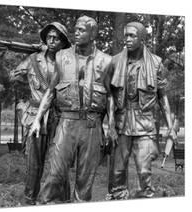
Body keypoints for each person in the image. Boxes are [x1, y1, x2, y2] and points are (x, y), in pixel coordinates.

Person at [30, 16, 113, 203]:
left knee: (85, 182)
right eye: (75, 29)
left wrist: (111, 127)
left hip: (92, 125)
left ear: (92, 34)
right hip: (66, 123)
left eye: (82, 30)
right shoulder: (62, 56)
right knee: (55, 174)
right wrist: (37, 120)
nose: (76, 32)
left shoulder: (106, 61)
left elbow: (110, 97)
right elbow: (51, 91)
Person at [106, 22, 177, 200]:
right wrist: (111, 125)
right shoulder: (115, 61)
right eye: (126, 35)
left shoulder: (155, 62)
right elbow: (110, 96)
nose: (127, 39)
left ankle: (144, 200)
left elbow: (162, 96)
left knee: (144, 170)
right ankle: (118, 198)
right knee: (118, 170)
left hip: (144, 121)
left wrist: (170, 126)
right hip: (122, 121)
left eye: (132, 36)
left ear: (142, 38)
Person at [10, 22, 71, 205]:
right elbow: (12, 77)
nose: (52, 41)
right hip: (35, 116)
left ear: (63, 42)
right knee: (33, 164)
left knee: (59, 164)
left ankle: (63, 201)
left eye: (56, 38)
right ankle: (29, 201)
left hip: (59, 118)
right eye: (49, 37)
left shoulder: (67, 62)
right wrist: (22, 104)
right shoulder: (32, 59)